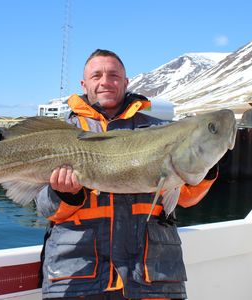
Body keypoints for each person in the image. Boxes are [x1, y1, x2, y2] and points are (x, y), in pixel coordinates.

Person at [35, 49, 218, 300]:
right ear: (84, 83)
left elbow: (185, 198)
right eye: (96, 75)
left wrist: (208, 166)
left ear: (125, 81)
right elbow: (45, 209)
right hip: (78, 278)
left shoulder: (162, 131)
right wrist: (65, 194)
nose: (105, 82)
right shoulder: (61, 135)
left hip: (151, 277)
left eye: (113, 75)